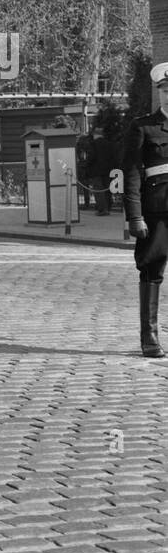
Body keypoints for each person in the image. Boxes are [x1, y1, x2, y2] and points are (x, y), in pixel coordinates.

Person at [122, 62, 168, 357]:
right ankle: (149, 337)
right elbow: (132, 173)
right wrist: (135, 215)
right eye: (165, 91)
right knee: (151, 269)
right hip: (157, 211)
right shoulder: (144, 127)